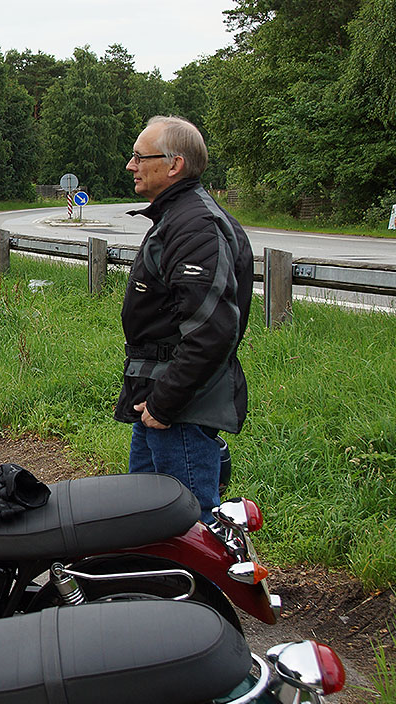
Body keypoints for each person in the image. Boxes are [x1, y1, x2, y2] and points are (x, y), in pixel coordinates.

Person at [116, 115, 253, 522]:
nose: (131, 165)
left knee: (188, 525)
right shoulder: (177, 217)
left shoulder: (196, 226)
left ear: (174, 165)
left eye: (140, 157)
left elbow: (213, 330)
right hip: (159, 397)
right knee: (144, 521)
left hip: (178, 410)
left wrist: (165, 404)